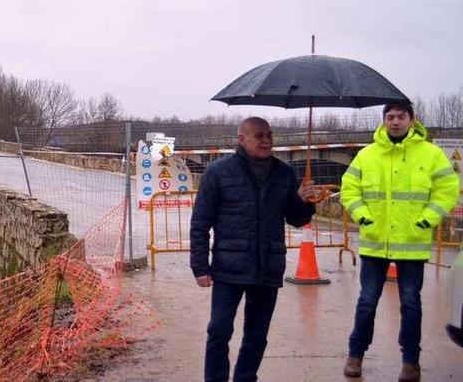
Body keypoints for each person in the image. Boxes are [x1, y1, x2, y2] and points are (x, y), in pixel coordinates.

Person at [190, 117, 318, 382]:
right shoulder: (218, 172)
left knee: (257, 335)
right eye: (259, 135)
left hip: (268, 266)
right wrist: (200, 266)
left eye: (269, 135)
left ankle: (245, 378)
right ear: (242, 139)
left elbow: (295, 218)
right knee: (219, 330)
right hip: (228, 267)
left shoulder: (284, 173)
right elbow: (201, 222)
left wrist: (304, 202)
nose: (266, 140)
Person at [341, 102, 459, 382]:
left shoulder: (431, 155)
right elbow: (349, 189)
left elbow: (447, 191)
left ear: (411, 119)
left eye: (400, 117)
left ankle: (410, 362)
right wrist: (363, 216)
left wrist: (426, 219)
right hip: (374, 242)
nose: (395, 122)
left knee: (411, 303)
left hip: (412, 243)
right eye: (390, 117)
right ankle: (355, 355)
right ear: (383, 121)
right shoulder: (366, 155)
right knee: (367, 301)